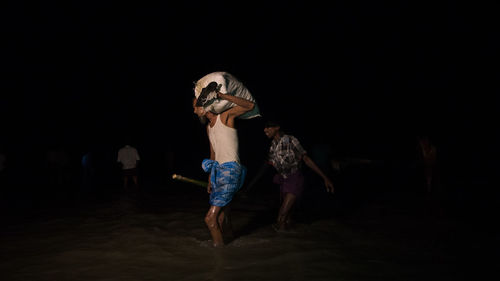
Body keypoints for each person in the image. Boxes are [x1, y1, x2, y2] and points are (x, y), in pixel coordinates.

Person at [193, 83, 255, 248]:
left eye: (195, 107)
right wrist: (210, 179)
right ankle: (232, 247)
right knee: (221, 218)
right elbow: (213, 154)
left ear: (206, 106)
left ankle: (219, 255)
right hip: (218, 172)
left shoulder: (225, 117)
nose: (194, 111)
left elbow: (250, 105)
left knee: (210, 219)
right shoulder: (208, 128)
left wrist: (222, 96)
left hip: (230, 170)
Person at [263, 120, 334, 232]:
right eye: (265, 127)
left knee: (281, 216)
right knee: (285, 220)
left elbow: (306, 159)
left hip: (295, 179)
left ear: (277, 127)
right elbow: (270, 164)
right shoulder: (273, 146)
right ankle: (290, 243)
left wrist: (325, 178)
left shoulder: (291, 140)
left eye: (268, 127)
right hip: (283, 180)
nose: (265, 130)